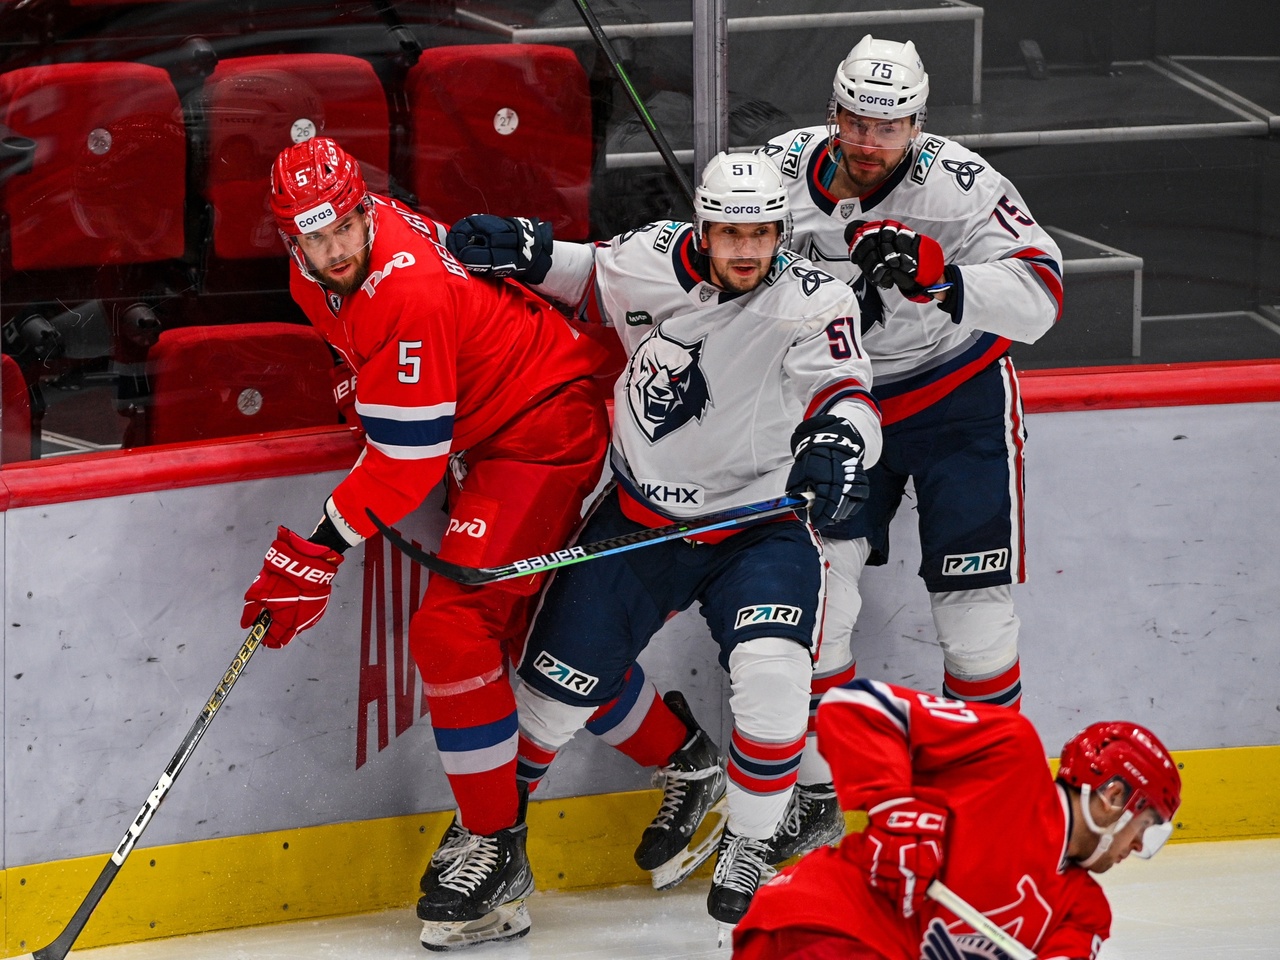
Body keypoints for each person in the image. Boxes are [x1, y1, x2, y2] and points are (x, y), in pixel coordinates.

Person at [445, 151, 882, 931]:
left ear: (782, 232)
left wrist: (836, 443)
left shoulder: (817, 300)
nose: (745, 250)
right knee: (545, 702)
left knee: (775, 676)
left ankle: (750, 840)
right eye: (729, 232)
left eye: (762, 233)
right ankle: (494, 844)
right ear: (702, 227)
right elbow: (584, 274)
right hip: (639, 524)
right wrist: (525, 246)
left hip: (758, 530)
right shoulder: (653, 257)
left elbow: (847, 392)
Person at [238, 137, 612, 951]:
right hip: (490, 429)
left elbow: (406, 466)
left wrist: (317, 550)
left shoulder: (404, 288)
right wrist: (358, 388)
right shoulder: (314, 270)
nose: (334, 250)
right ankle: (684, 755)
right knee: (517, 635)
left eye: (344, 226)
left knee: (450, 632)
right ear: (290, 239)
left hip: (543, 424)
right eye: (314, 236)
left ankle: (496, 850)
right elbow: (354, 350)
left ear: (366, 208)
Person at [754, 34, 1065, 866]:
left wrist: (944, 282)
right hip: (842, 399)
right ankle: (825, 797)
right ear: (834, 113)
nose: (868, 141)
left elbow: (1042, 295)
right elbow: (725, 266)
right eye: (856, 120)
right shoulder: (779, 172)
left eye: (888, 127)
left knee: (976, 621)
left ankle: (990, 806)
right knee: (821, 613)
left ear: (917, 127)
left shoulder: (962, 184)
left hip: (956, 397)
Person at [733, 677, 1182, 959]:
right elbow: (858, 706)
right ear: (1115, 795)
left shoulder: (1083, 914)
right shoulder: (1011, 752)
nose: (1139, 847)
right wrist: (895, 808)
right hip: (823, 923)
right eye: (1146, 826)